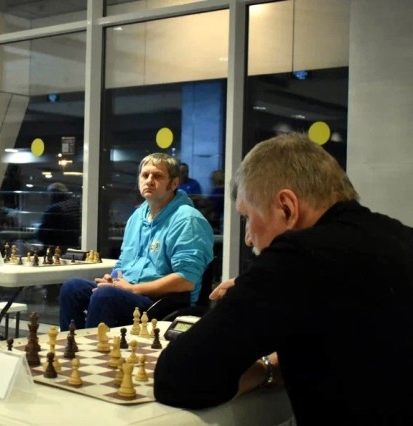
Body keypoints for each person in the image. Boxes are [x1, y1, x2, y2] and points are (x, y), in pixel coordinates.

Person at [154, 133, 413, 425]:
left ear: (287, 208)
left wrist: (267, 368)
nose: (248, 237)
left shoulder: (299, 256)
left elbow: (177, 377)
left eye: (247, 217)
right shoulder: (401, 237)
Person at [59, 153, 214, 331]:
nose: (149, 181)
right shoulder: (137, 216)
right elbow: (123, 263)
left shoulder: (188, 219)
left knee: (104, 295)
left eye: (157, 176)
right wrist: (113, 279)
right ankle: (73, 344)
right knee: (72, 288)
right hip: (129, 290)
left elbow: (185, 280)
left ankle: (94, 347)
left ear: (173, 184)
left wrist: (134, 289)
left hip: (163, 301)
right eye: (145, 175)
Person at [36, 182, 82, 250]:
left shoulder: (55, 208)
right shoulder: (76, 205)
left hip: (58, 247)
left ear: (53, 194)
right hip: (73, 246)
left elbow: (43, 233)